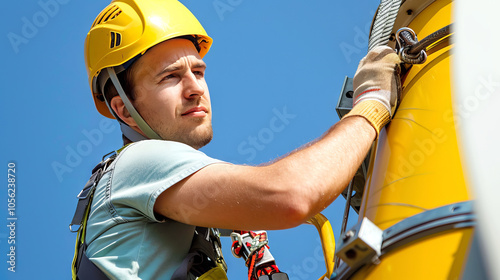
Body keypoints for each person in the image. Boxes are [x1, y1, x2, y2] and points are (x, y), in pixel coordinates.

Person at [75, 0, 401, 279]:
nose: (195, 88)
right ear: (124, 109)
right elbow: (292, 195)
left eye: (198, 72)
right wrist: (371, 104)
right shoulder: (139, 162)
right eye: (170, 76)